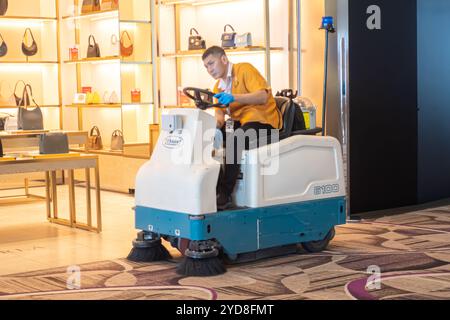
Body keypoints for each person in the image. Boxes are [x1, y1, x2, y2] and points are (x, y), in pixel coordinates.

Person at [202, 46, 282, 210]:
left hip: (263, 121)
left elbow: (262, 96)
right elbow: (220, 117)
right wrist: (214, 130)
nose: (209, 69)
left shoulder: (244, 69)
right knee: (206, 138)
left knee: (236, 139)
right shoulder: (217, 88)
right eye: (206, 67)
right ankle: (212, 189)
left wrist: (234, 97)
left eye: (211, 63)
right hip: (240, 123)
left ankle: (224, 195)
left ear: (224, 59)